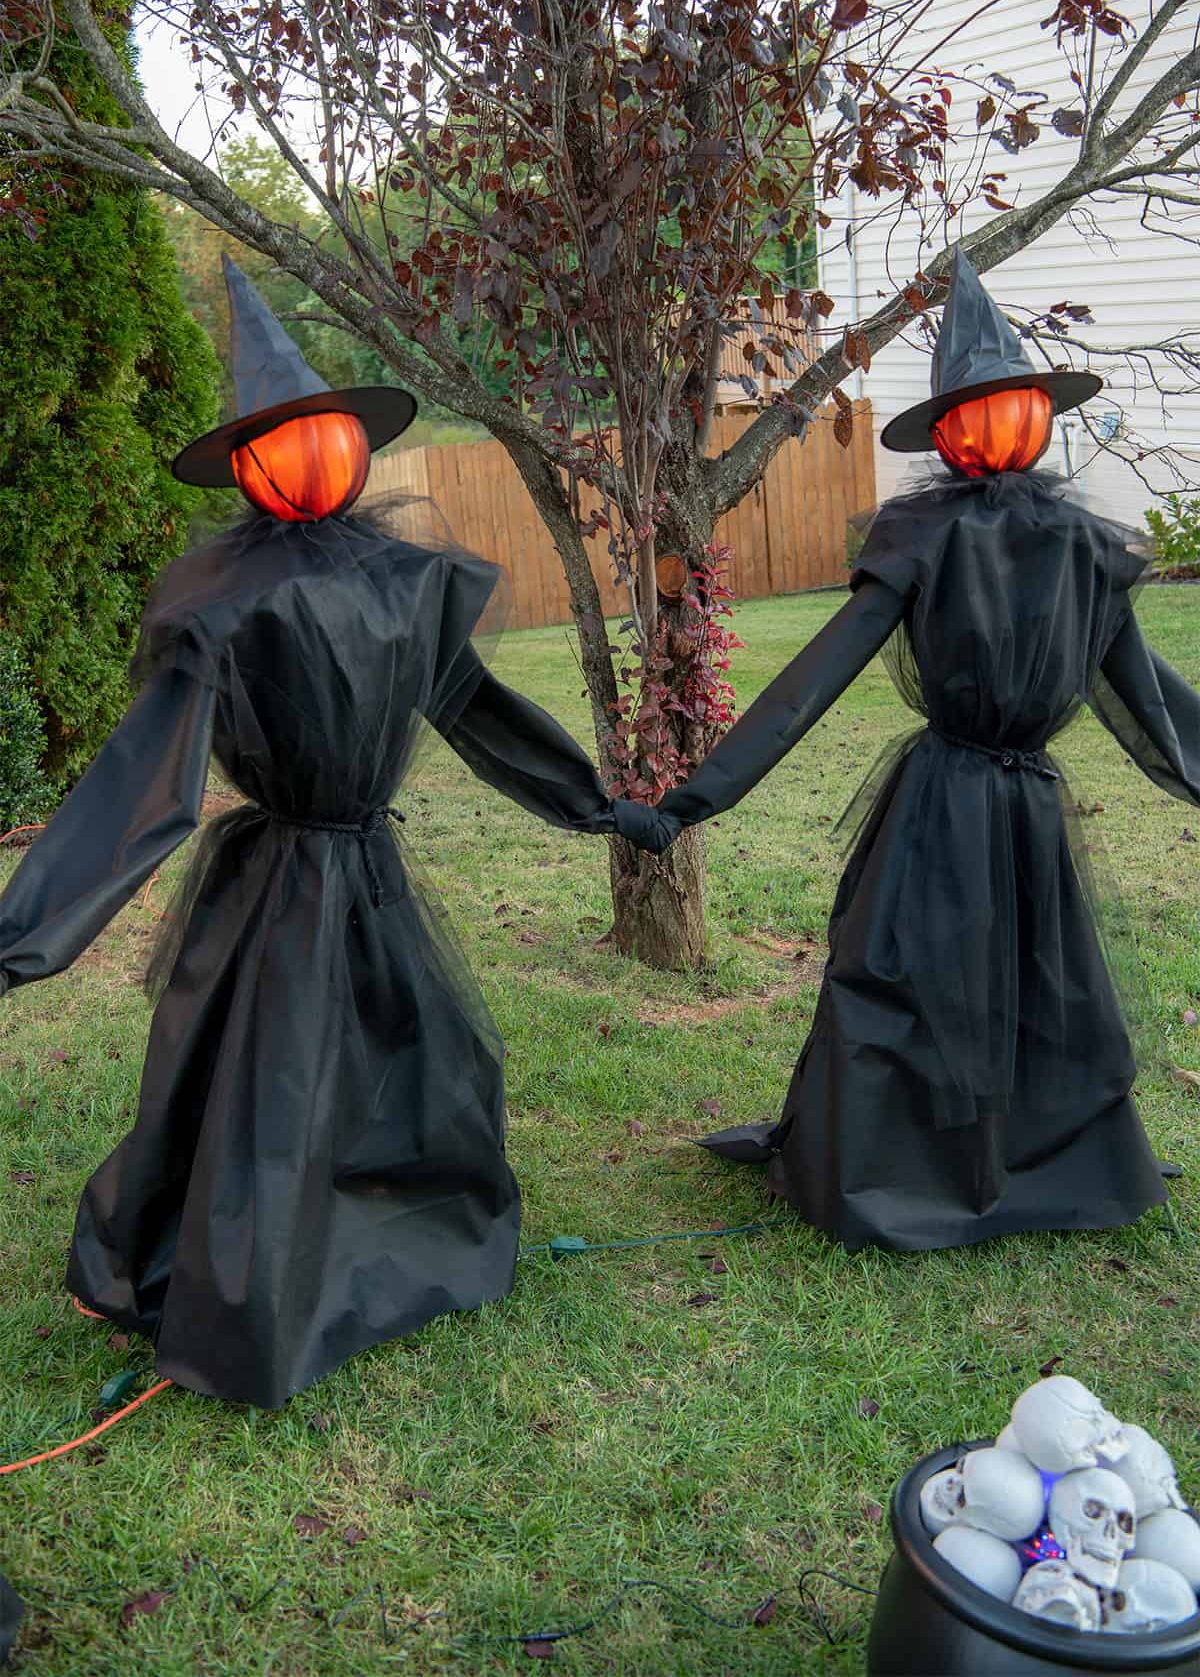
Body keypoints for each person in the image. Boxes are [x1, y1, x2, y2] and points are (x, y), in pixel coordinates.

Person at [0, 256, 617, 1406]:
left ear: (356, 446)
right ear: (249, 466)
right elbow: (145, 784)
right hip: (281, 870)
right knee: (268, 1068)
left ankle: (393, 1231)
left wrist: (595, 805)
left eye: (328, 438)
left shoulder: (404, 583)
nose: (313, 459)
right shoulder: (221, 599)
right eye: (284, 445)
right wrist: (25, 937)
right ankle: (255, 1283)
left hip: (367, 860)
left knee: (410, 1050)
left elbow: (475, 708)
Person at [612, 248, 1200, 1253]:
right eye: (980, 415)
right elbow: (813, 683)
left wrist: (683, 806)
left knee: (1021, 976)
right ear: (955, 431)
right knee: (916, 974)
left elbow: (1147, 698)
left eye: (1009, 411)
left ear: (1031, 417)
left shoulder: (1081, 550)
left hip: (992, 796)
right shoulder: (931, 537)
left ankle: (1016, 1156)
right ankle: (925, 1161)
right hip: (959, 796)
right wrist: (692, 802)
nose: (996, 430)